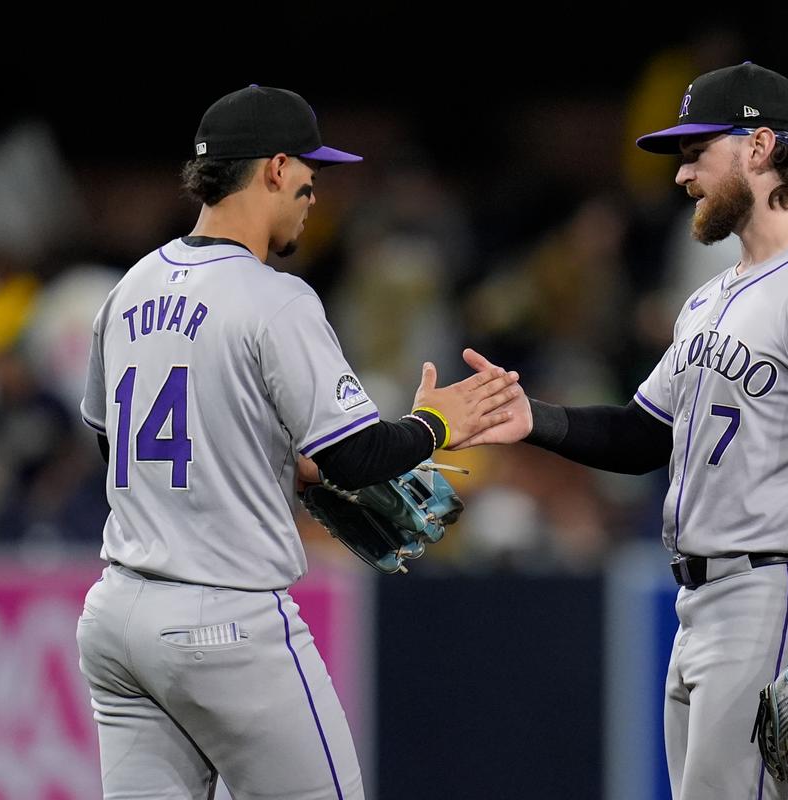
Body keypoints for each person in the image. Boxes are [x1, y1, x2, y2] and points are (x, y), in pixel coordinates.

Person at [456, 62, 788, 798]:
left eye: (698, 151)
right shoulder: (709, 300)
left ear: (760, 147)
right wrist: (530, 418)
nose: (682, 174)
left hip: (778, 585)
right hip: (704, 601)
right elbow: (643, 435)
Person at [75, 84, 519, 800]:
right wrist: (438, 423)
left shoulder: (129, 285)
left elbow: (112, 443)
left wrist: (279, 466)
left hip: (117, 620)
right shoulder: (275, 297)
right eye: (310, 177)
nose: (316, 194)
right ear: (275, 167)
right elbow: (358, 457)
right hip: (225, 623)